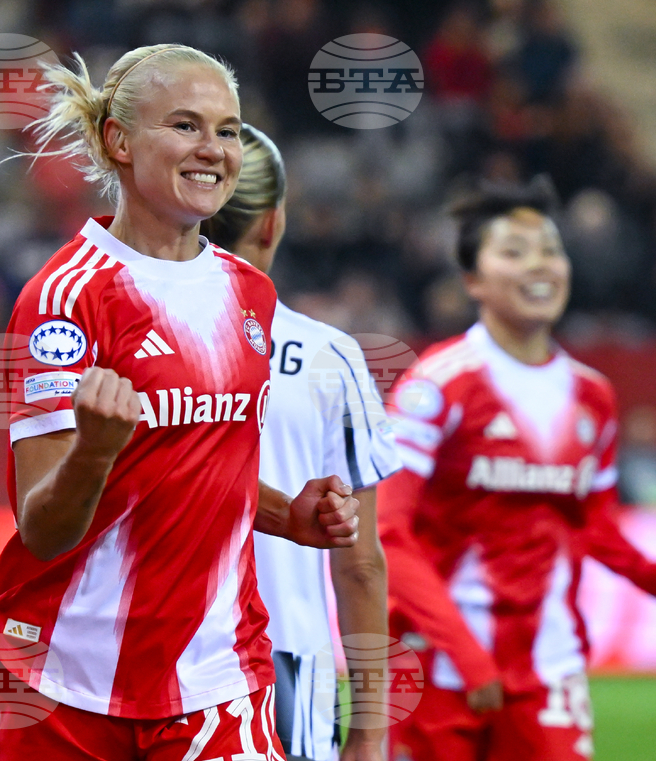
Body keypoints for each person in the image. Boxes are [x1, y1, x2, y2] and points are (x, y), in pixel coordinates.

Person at [0, 44, 360, 761]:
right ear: (119, 141)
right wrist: (93, 451)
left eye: (227, 130)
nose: (213, 149)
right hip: (63, 683)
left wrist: (288, 516)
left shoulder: (249, 292)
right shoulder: (65, 298)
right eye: (185, 125)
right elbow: (43, 530)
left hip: (217, 676)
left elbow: (197, 464)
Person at [378, 178, 656, 761]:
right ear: (473, 280)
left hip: (549, 665)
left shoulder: (592, 395)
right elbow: (389, 533)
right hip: (442, 664)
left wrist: (655, 576)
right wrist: (466, 654)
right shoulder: (438, 385)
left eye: (551, 249)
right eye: (514, 251)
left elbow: (590, 522)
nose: (539, 265)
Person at [203, 124, 401, 761]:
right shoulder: (328, 356)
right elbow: (360, 563)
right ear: (272, 223)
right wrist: (368, 732)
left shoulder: (137, 339)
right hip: (287, 666)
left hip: (165, 654)